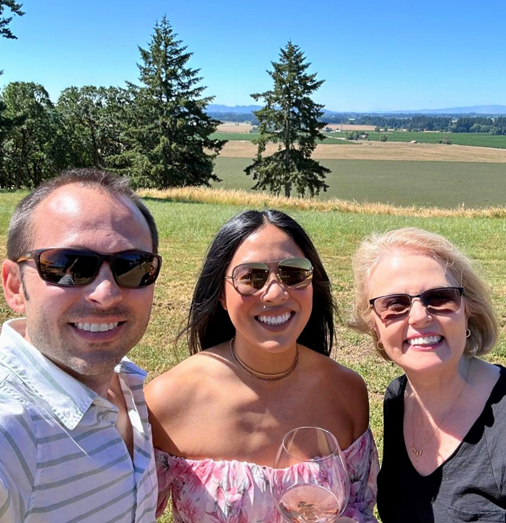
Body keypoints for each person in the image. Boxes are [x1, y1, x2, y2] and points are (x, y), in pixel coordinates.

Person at [0, 169, 163, 522]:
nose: (106, 293)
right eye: (69, 266)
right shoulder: (6, 429)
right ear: (15, 286)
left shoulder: (128, 385)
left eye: (133, 267)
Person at [145, 209, 378, 523]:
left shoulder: (346, 392)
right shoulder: (167, 401)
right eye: (252, 277)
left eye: (293, 274)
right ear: (222, 296)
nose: (276, 292)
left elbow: (359, 509)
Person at [350, 227, 505, 522]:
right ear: (375, 328)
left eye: (439, 297)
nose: (420, 316)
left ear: (467, 310)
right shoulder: (399, 397)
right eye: (395, 304)